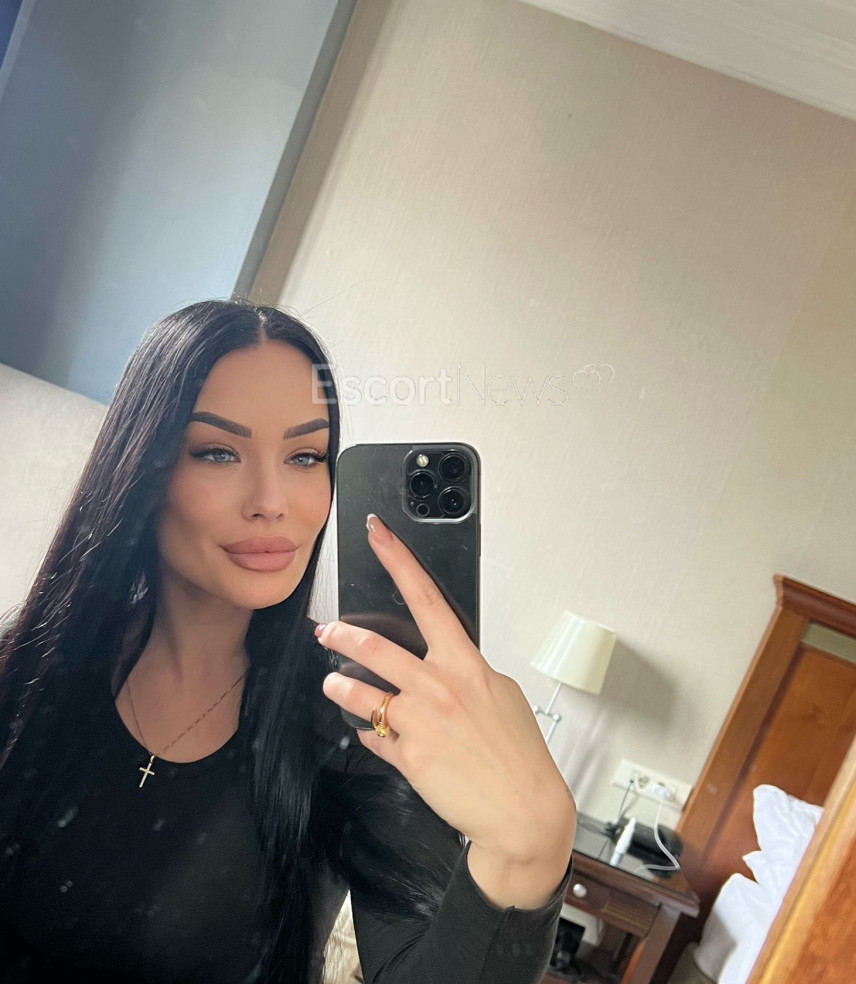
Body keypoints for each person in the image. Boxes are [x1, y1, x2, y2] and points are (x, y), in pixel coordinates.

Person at [0, 299, 576, 983]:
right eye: (218, 452)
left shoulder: (355, 716)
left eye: (305, 456)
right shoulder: (30, 667)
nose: (272, 501)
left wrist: (526, 853)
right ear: (143, 468)